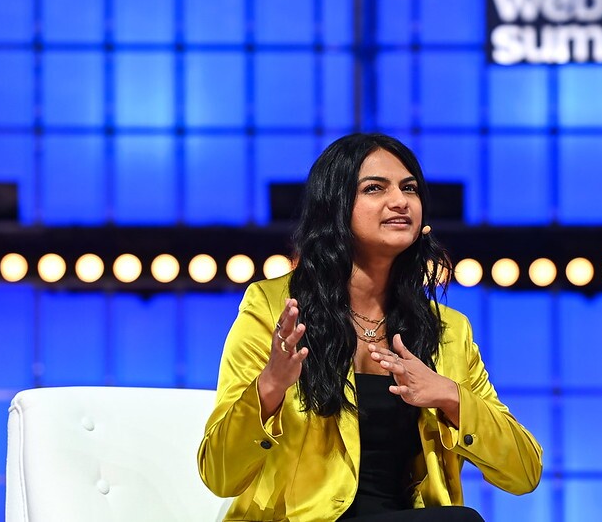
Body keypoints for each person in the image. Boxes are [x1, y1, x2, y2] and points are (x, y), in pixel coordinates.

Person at [198, 133, 543, 521]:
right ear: (335, 207)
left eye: (409, 188)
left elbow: (524, 472)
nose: (400, 201)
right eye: (375, 188)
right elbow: (219, 474)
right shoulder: (272, 308)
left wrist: (450, 396)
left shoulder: (448, 330)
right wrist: (271, 386)